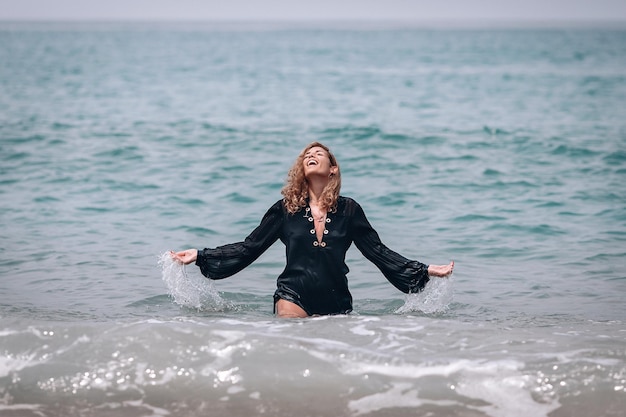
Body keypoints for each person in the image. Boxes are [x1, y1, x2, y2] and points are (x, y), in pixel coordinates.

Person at [171, 142, 454, 318]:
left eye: (319, 154)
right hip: (292, 293)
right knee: (293, 349)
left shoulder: (349, 210)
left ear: (333, 169)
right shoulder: (285, 209)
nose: (311, 155)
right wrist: (200, 254)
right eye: (307, 154)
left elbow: (378, 253)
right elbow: (250, 247)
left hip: (336, 299)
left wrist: (424, 269)